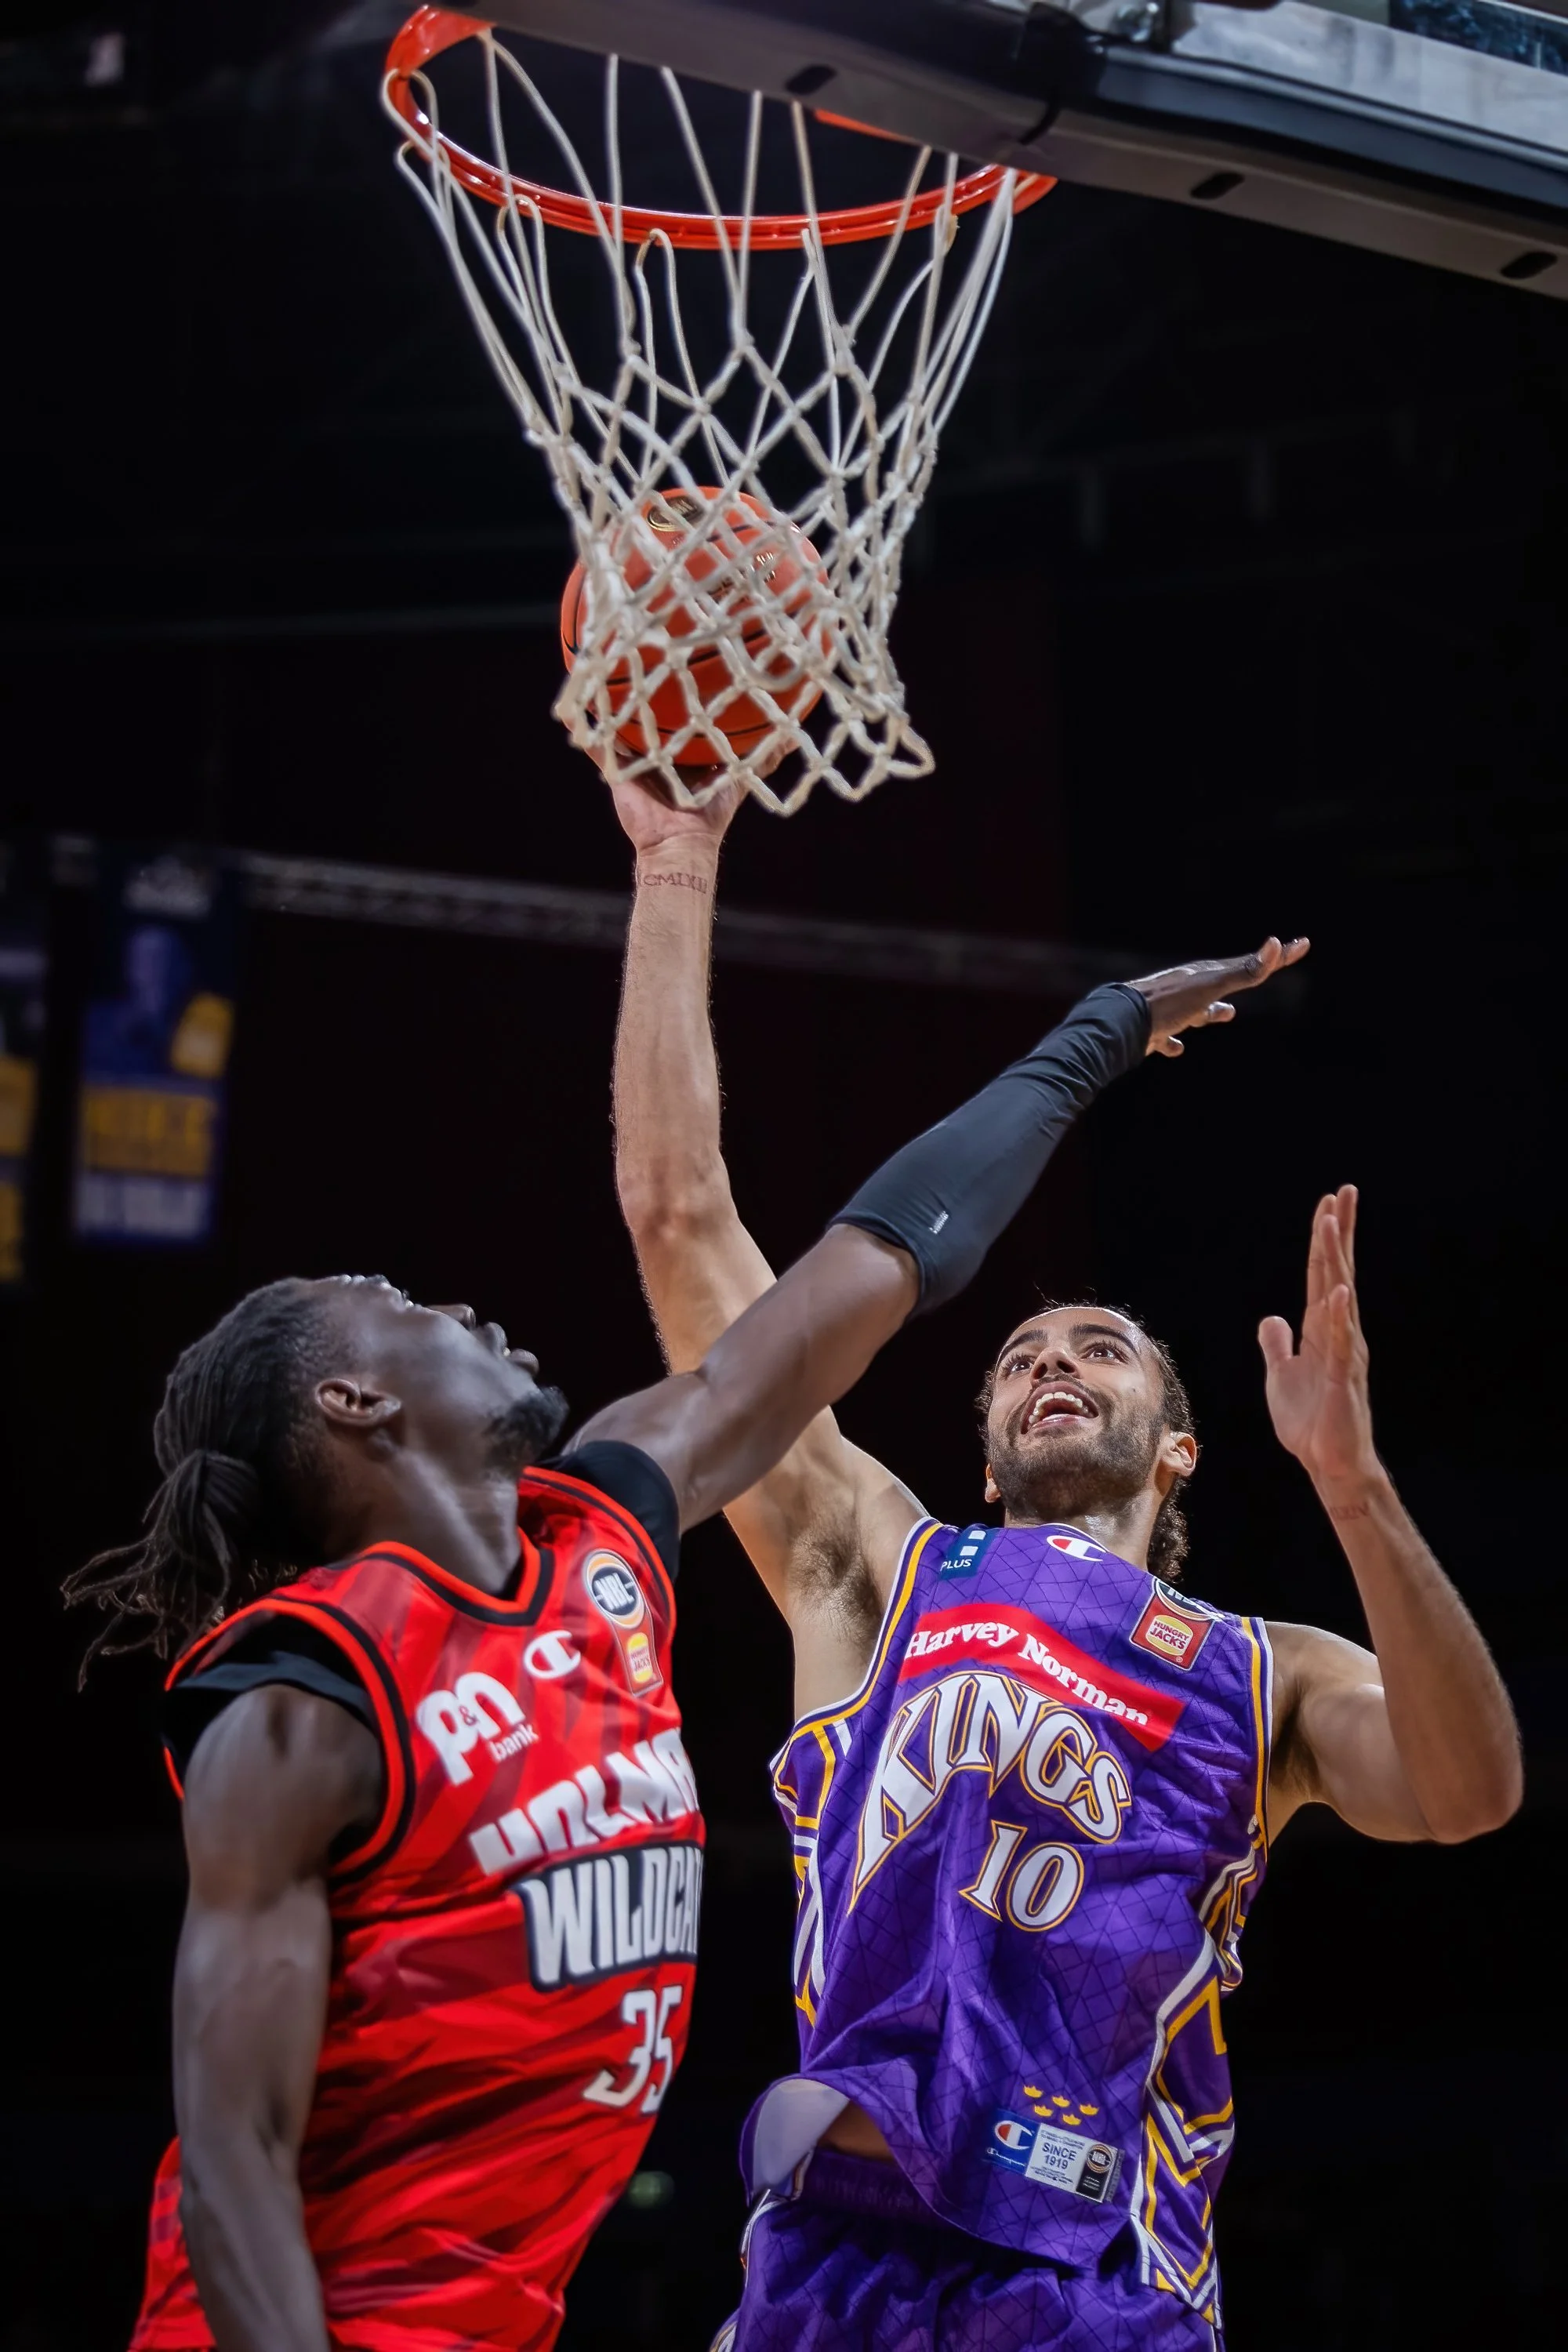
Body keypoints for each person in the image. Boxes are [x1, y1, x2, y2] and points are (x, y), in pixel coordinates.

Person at [65, 909, 1261, 2352]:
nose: (450, 1302)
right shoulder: (305, 1693)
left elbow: (864, 1263)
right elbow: (234, 2160)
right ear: (354, 1405)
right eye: (395, 1306)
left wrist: (1094, 1037)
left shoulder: (603, 1531)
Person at [607, 777, 1523, 2351]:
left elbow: (1467, 1794)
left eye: (1101, 1350)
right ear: (980, 1457)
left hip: (1095, 2280)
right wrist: (677, 856)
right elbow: (679, 1218)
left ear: (1177, 1444)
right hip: (835, 2263)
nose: (1053, 1363)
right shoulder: (877, 1572)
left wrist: (1357, 1495)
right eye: (1023, 1354)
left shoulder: (1263, 1670)